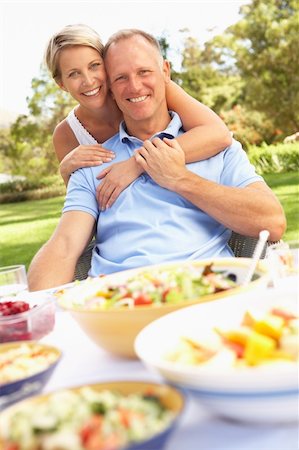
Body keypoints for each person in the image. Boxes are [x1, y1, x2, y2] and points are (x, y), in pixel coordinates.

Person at [28, 29, 286, 291]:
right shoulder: (91, 162)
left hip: (206, 290)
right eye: (120, 78)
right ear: (111, 88)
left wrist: (179, 178)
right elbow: (64, 246)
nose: (135, 86)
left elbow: (273, 222)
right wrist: (34, 311)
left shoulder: (215, 147)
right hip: (120, 299)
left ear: (165, 71)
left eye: (144, 72)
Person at [45, 24, 232, 209]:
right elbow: (85, 209)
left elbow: (218, 133)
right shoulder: (67, 133)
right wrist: (65, 171)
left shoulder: (147, 94)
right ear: (61, 83)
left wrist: (136, 164)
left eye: (94, 66)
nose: (88, 80)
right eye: (74, 74)